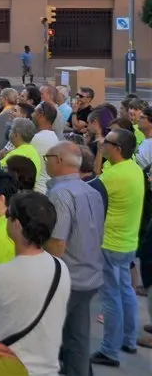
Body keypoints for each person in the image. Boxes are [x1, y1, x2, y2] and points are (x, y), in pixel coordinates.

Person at [0, 192, 71, 375]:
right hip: (47, 369)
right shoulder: (61, 268)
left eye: (9, 215)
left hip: (6, 367)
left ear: (17, 225)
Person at [41, 142, 105, 376]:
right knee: (77, 338)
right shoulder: (91, 190)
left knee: (49, 338)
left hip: (68, 277)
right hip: (90, 275)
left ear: (57, 160)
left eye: (47, 157)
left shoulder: (60, 194)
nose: (45, 161)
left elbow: (57, 244)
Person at [92, 128, 144, 366]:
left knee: (111, 298)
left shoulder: (114, 177)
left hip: (111, 244)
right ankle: (129, 340)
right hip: (127, 242)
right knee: (125, 291)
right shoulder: (132, 168)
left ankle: (109, 351)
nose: (103, 144)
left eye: (107, 142)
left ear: (118, 149)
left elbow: (88, 189)